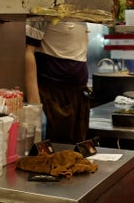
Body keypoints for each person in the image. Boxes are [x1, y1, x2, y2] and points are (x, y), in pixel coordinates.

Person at [25, 16, 91, 144]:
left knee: (74, 155)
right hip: (54, 98)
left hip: (78, 97)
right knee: (55, 155)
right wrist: (35, 106)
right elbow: (28, 52)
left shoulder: (82, 13)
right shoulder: (44, 9)